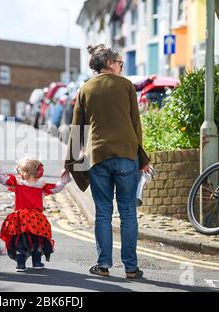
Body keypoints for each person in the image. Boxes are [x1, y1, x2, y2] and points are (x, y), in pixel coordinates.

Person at [66, 44, 150, 279]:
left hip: (98, 157)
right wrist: (142, 158)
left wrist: (70, 163)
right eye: (120, 63)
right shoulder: (126, 86)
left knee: (103, 212)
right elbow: (136, 125)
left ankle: (103, 265)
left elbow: (77, 131)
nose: (121, 67)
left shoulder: (85, 89)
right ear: (110, 63)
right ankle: (131, 268)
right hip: (126, 156)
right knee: (128, 212)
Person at [0, 158, 71, 272]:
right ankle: (37, 263)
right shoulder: (41, 186)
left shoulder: (17, 183)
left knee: (21, 241)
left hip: (20, 218)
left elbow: (3, 179)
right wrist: (65, 177)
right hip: (37, 219)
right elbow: (57, 188)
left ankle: (20, 264)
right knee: (37, 241)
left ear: (22, 172)